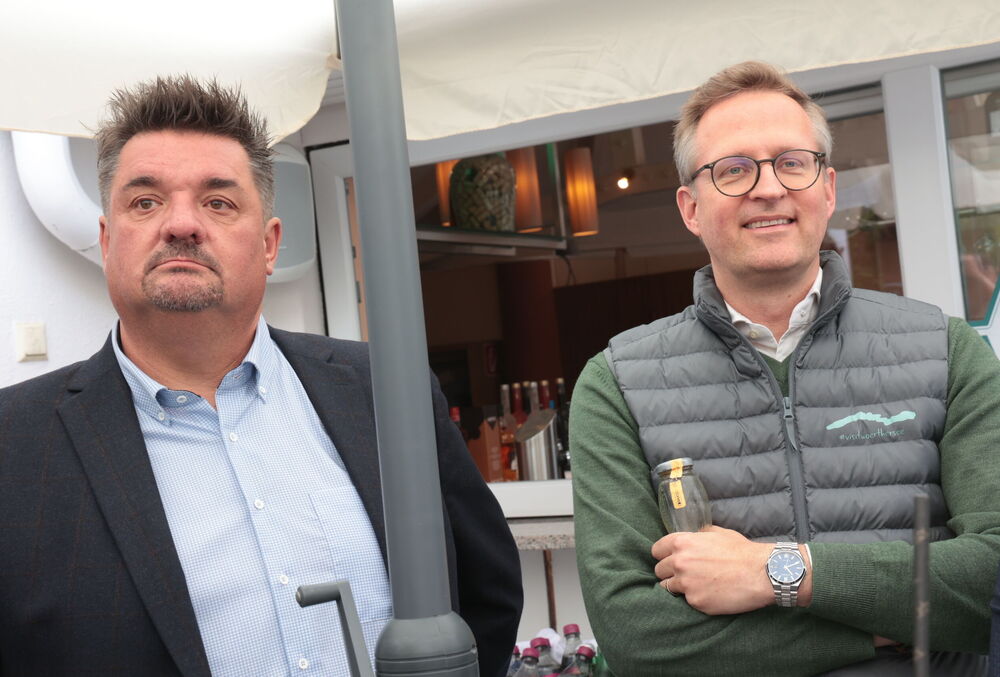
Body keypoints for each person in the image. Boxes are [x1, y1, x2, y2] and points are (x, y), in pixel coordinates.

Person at [0, 75, 521, 676]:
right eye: (145, 202)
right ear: (107, 240)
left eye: (218, 202)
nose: (181, 224)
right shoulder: (15, 444)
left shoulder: (383, 390)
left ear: (270, 245)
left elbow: (487, 594)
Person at [571, 61, 1000, 676]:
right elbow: (636, 637)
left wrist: (777, 572)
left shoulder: (947, 351)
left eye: (792, 163)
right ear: (691, 208)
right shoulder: (616, 384)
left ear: (827, 189)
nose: (768, 188)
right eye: (733, 169)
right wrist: (892, 630)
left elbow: (991, 580)